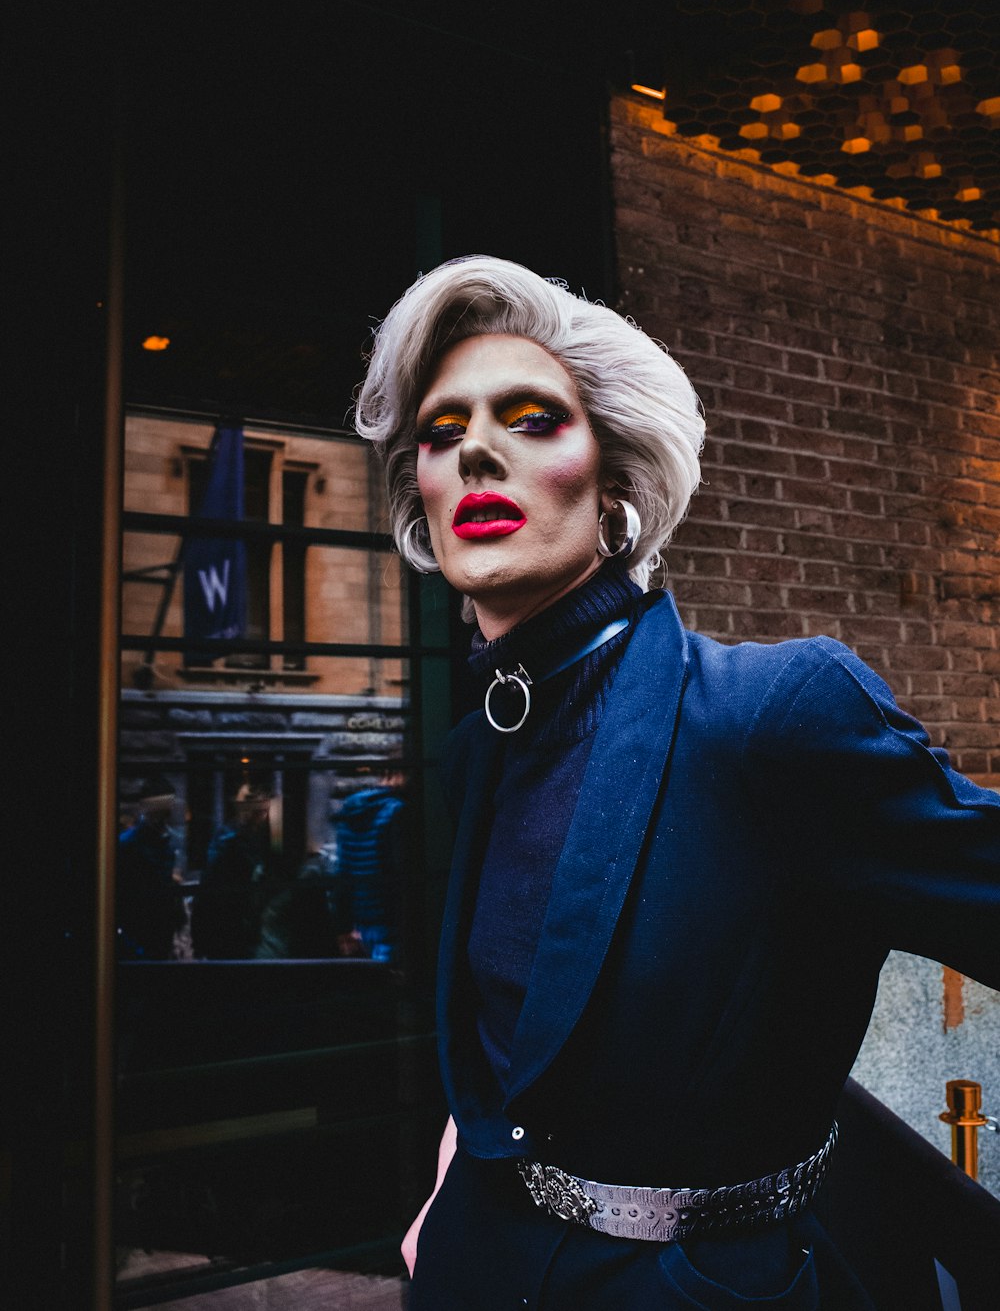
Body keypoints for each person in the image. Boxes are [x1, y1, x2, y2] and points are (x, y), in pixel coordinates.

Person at [355, 255, 1000, 1309]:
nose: (475, 448)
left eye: (530, 418)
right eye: (442, 430)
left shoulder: (774, 715)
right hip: (483, 1267)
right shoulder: (481, 741)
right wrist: (448, 1187)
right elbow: (502, 1028)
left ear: (614, 481)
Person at [332, 771, 407, 963]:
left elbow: (343, 871)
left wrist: (343, 924)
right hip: (390, 918)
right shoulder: (397, 811)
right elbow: (398, 868)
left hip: (361, 921)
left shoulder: (350, 811)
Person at [191, 783, 273, 959]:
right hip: (229, 925)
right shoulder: (230, 840)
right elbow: (209, 887)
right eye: (262, 812)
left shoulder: (248, 837)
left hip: (236, 925)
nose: (266, 817)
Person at [117, 774, 185, 960]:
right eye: (162, 809)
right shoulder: (129, 844)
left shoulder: (165, 841)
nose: (167, 814)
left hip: (159, 933)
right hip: (139, 936)